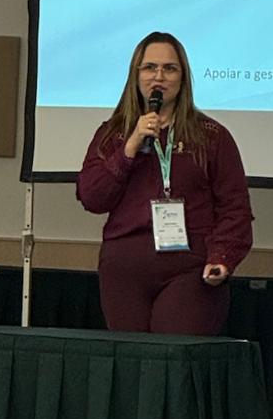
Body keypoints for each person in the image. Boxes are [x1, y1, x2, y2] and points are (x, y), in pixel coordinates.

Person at [77, 32, 253, 335]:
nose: (159, 76)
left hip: (190, 267)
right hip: (124, 268)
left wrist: (222, 257)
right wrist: (129, 148)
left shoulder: (211, 136)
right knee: (132, 358)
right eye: (150, 67)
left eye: (169, 68)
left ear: (183, 78)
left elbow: (235, 207)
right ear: (136, 76)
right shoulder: (113, 134)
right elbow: (92, 198)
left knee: (171, 352)